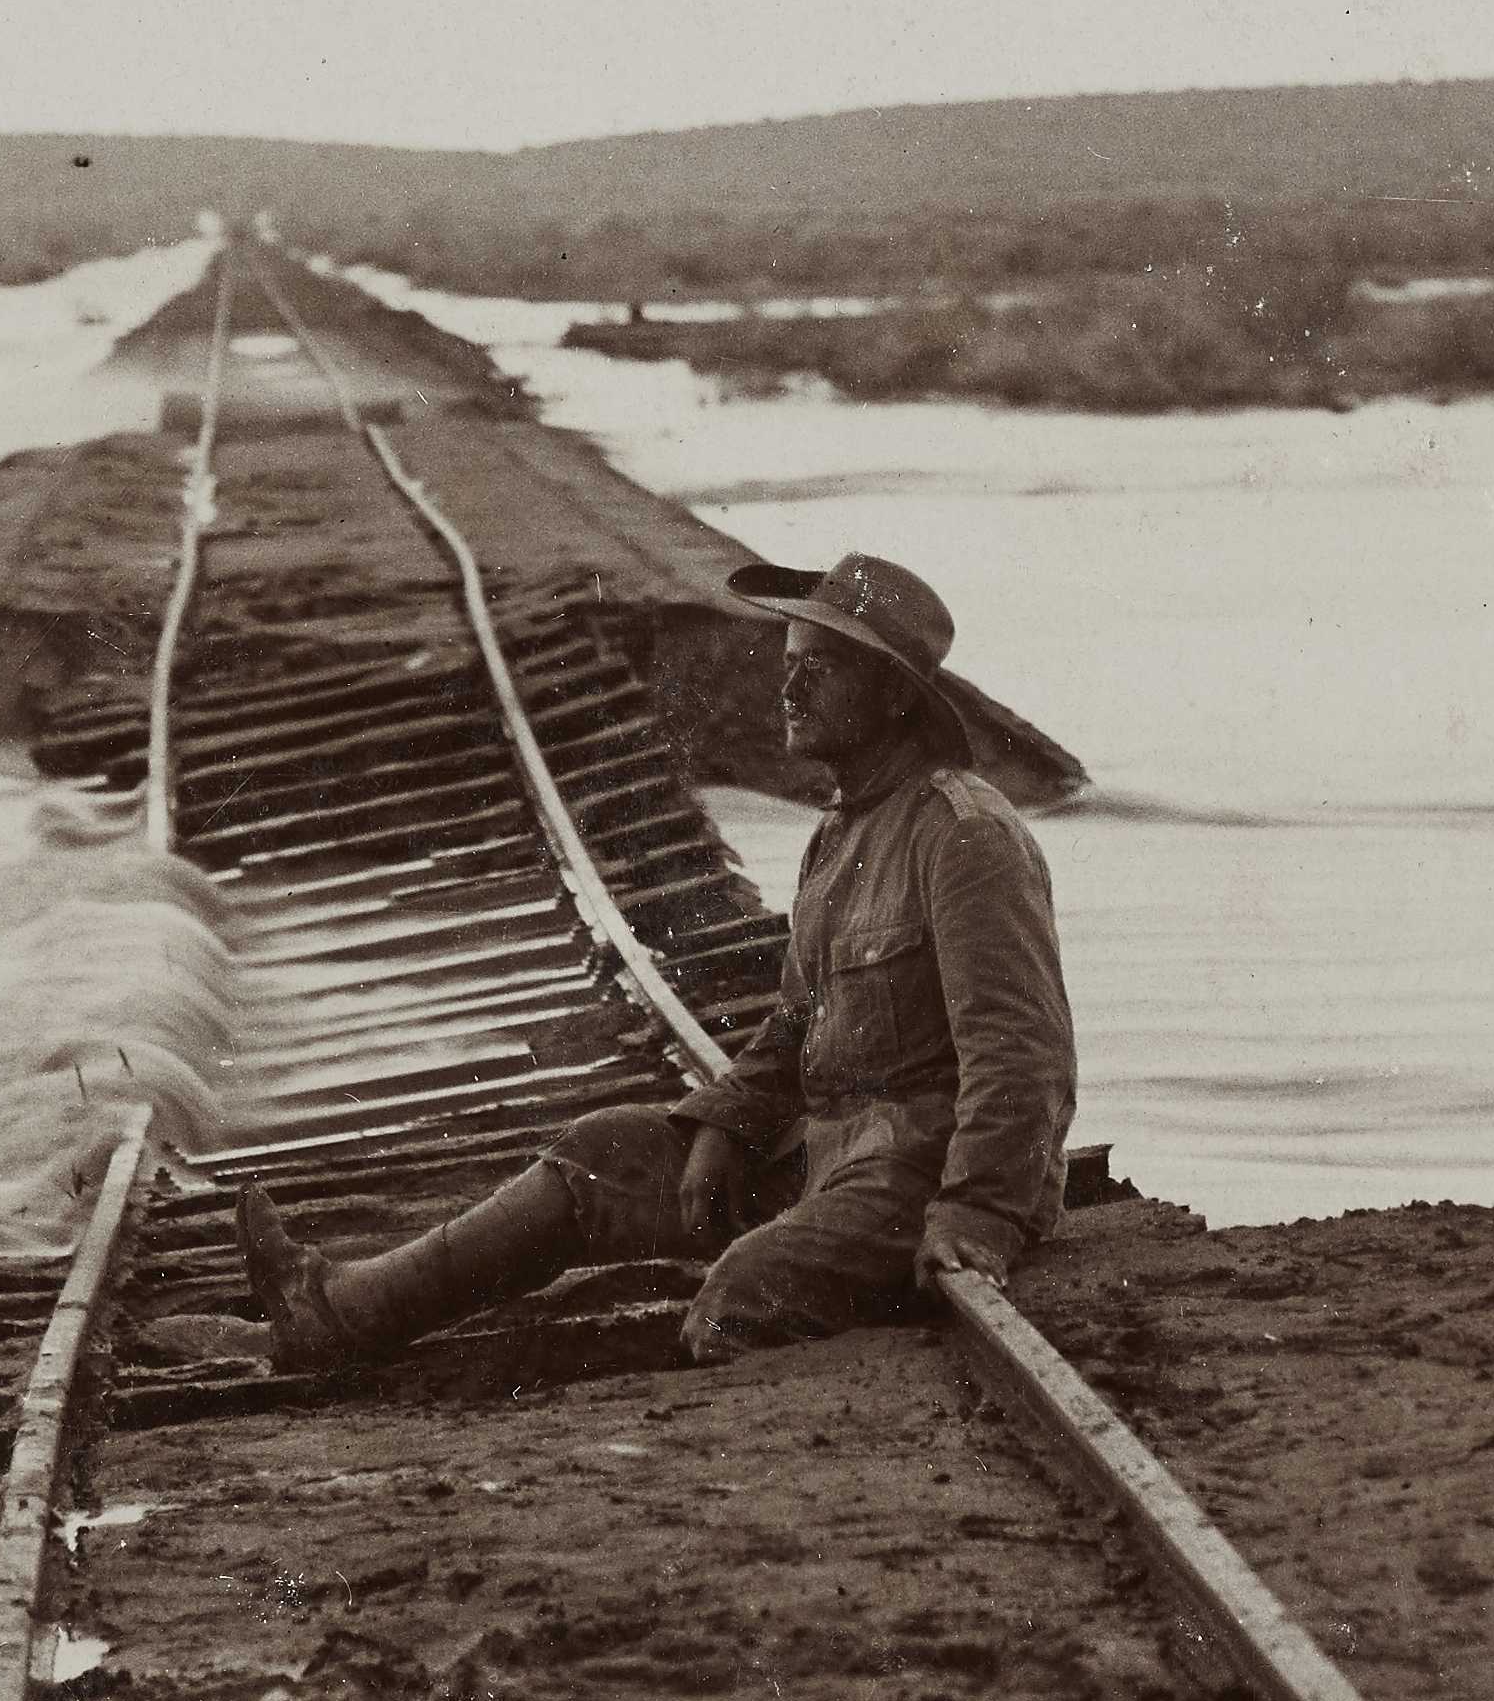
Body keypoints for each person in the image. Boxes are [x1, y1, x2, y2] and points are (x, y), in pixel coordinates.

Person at [233, 553, 1071, 1374]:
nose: (789, 689)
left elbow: (1021, 1053)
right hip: (826, 1153)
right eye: (789, 665)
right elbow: (794, 1026)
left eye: (821, 669)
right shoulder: (840, 832)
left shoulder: (964, 835)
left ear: (894, 697)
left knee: (740, 1304)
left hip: (919, 1170)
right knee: (604, 1150)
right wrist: (722, 1125)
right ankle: (340, 1313)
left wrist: (979, 1214)